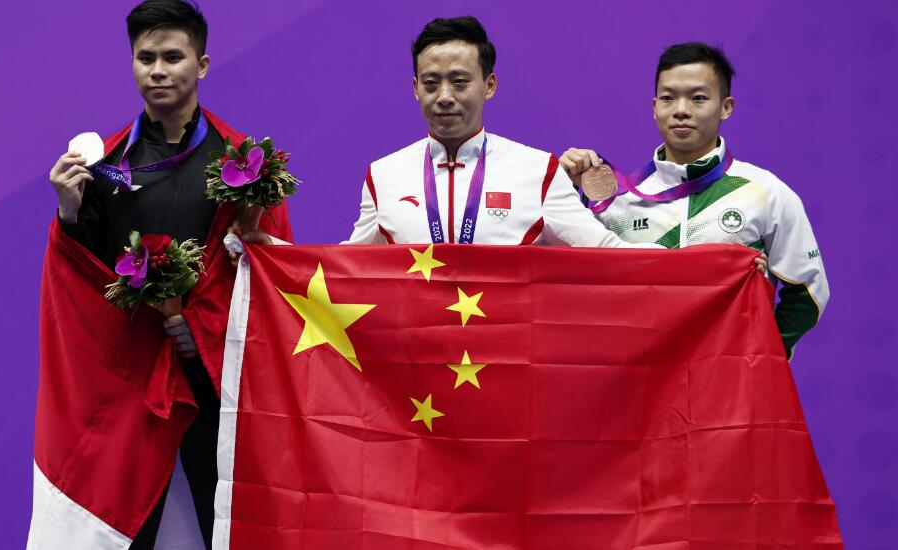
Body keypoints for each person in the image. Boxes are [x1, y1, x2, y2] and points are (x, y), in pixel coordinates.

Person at [45, 1, 291, 548]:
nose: (157, 70)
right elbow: (83, 273)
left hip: (218, 376)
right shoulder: (105, 163)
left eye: (173, 57)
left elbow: (268, 273)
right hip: (132, 376)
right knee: (124, 528)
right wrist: (68, 208)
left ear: (201, 65)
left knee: (235, 527)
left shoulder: (244, 162)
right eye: (146, 57)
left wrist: (199, 325)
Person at [560, 42, 826, 358]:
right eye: (668, 98)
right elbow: (577, 288)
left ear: (726, 107)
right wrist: (563, 190)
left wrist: (761, 358)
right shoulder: (618, 202)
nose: (681, 110)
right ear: (654, 107)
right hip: (642, 379)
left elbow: (807, 293)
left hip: (728, 381)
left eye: (698, 98)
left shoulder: (766, 193)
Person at [344, 16, 649, 248]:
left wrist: (679, 267)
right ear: (415, 89)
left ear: (489, 85)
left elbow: (605, 250)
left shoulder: (539, 171)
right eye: (431, 83)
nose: (444, 96)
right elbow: (347, 268)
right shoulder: (383, 175)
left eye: (460, 82)